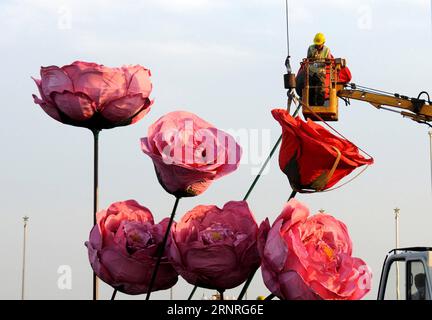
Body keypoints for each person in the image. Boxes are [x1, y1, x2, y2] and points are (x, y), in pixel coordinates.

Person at [307, 33, 334, 106]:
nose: (317, 46)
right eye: (316, 44)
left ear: (323, 43)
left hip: (321, 73)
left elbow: (329, 62)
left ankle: (320, 105)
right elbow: (308, 60)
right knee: (310, 90)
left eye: (319, 44)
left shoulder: (327, 50)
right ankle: (311, 105)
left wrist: (327, 61)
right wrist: (313, 57)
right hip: (311, 72)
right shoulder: (311, 48)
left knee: (321, 91)